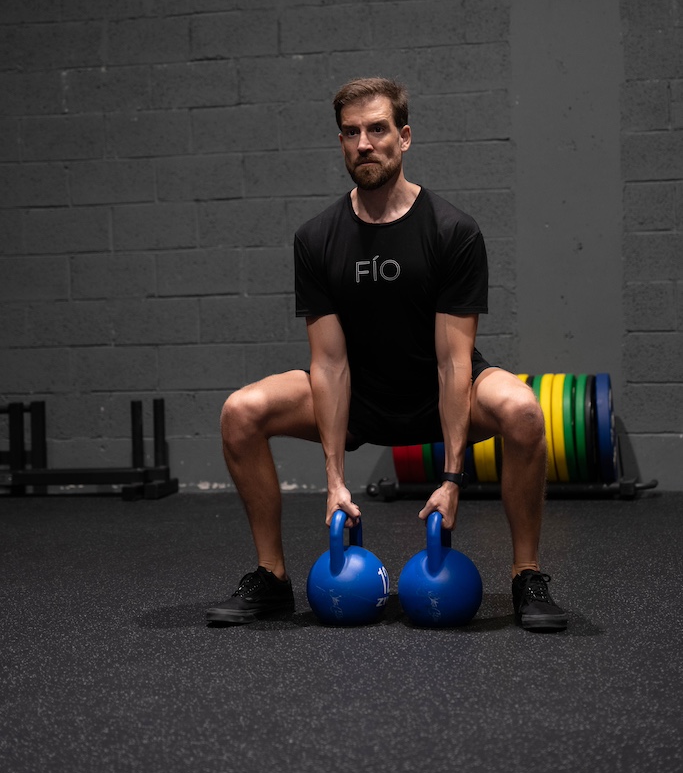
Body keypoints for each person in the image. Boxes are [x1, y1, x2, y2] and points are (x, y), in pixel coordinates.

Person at [207, 77, 567, 632]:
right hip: (360, 396)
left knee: (522, 411)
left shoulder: (453, 232)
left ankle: (527, 576)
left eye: (377, 130)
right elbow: (328, 363)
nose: (364, 143)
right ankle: (272, 578)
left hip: (443, 390)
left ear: (404, 137)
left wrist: (451, 478)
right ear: (341, 143)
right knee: (241, 412)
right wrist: (334, 479)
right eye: (350, 133)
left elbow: (453, 362)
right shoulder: (316, 238)